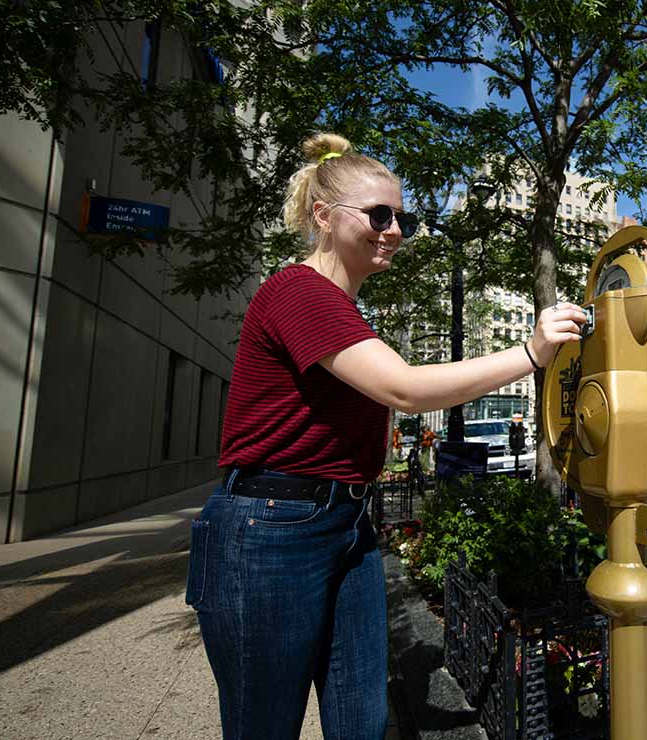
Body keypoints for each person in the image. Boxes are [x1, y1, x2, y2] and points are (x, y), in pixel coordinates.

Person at [184, 132, 585, 739]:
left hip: (346, 525)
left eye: (403, 217)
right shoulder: (298, 291)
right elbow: (404, 388)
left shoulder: (341, 310)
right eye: (378, 214)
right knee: (264, 726)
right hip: (268, 532)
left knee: (363, 721)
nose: (394, 229)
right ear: (324, 216)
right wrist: (531, 352)